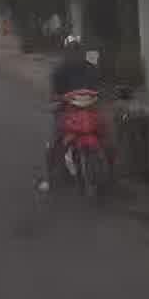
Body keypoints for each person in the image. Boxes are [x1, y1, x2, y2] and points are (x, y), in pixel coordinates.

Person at [40, 35, 102, 190]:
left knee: (108, 138)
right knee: (55, 143)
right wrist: (58, 101)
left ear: (81, 51)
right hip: (67, 110)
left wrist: (100, 97)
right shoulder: (59, 71)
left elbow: (98, 88)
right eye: (71, 49)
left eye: (76, 49)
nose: (74, 53)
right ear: (66, 51)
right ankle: (48, 178)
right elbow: (54, 94)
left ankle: (111, 172)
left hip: (88, 110)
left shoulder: (90, 68)